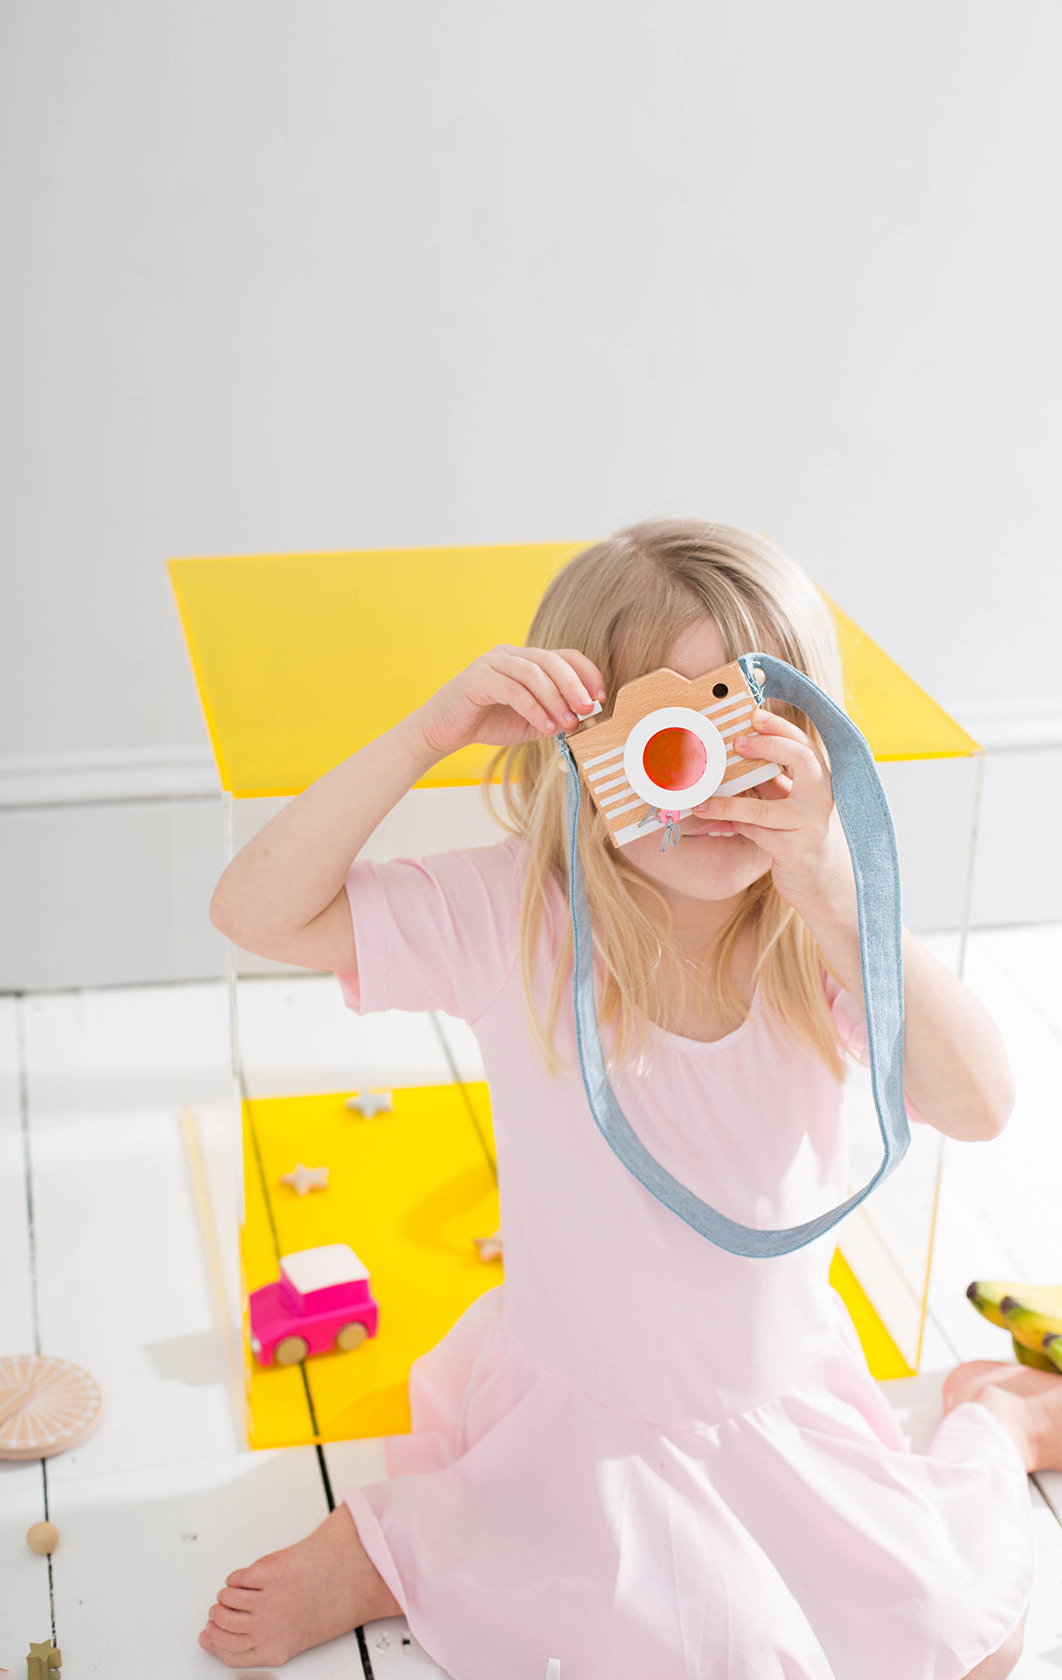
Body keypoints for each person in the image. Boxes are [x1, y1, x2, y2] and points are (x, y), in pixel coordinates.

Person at [201, 520, 1061, 1680]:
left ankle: (993, 1424)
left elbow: (982, 1104)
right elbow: (254, 911)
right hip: (582, 1396)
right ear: (577, 743)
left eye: (755, 732)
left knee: (975, 1647)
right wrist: (433, 729)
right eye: (668, 739)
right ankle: (393, 1547)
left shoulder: (814, 934)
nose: (711, 786)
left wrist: (829, 883)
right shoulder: (517, 915)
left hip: (774, 1396)